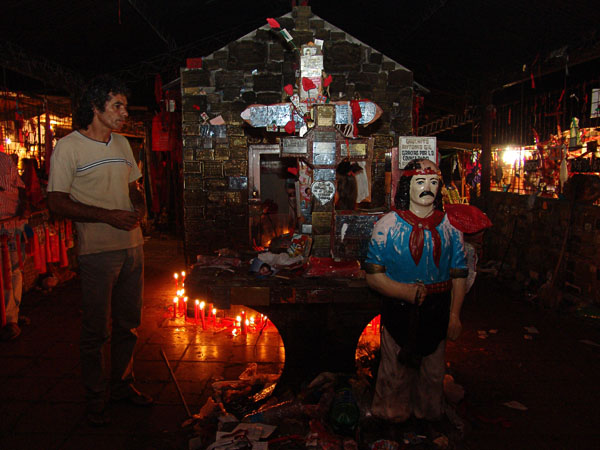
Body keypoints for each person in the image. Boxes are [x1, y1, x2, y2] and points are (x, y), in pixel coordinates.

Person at [47, 75, 151, 426]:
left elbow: (132, 185)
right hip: (97, 251)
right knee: (96, 329)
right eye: (116, 106)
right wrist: (108, 216)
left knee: (129, 324)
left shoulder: (122, 144)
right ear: (95, 108)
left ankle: (122, 385)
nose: (124, 113)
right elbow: (56, 201)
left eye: (124, 105)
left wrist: (140, 207)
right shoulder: (68, 147)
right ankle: (95, 395)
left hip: (132, 247)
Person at [364, 158, 467, 427]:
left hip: (438, 307)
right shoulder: (386, 226)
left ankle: (427, 419)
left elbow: (458, 274)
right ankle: (390, 418)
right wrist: (403, 291)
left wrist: (455, 316)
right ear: (407, 186)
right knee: (395, 371)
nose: (427, 188)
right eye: (421, 182)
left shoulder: (452, 227)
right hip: (399, 309)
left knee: (433, 373)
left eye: (433, 182)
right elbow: (373, 276)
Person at [0, 151, 28, 341]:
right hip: (7, 224)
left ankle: (11, 318)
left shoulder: (4, 159)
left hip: (11, 226)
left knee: (14, 272)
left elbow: (21, 187)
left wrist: (23, 207)